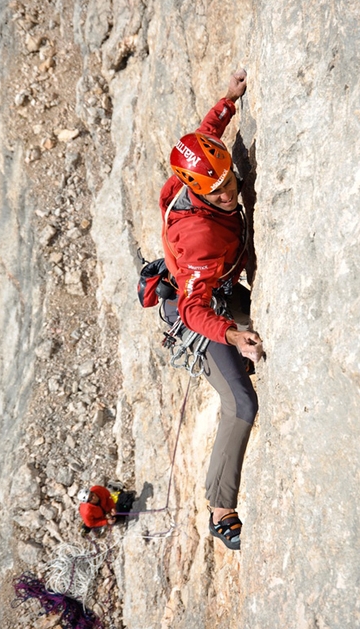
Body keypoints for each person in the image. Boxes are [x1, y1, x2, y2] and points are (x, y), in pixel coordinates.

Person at [159, 69, 263, 550]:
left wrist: (226, 101)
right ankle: (221, 510)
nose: (229, 193)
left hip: (218, 292)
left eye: (229, 181)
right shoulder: (199, 236)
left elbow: (205, 138)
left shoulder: (199, 169)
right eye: (217, 191)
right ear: (196, 192)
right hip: (202, 316)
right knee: (240, 404)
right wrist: (233, 334)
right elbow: (193, 310)